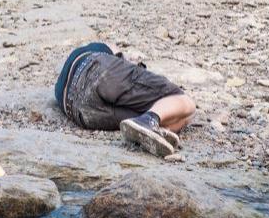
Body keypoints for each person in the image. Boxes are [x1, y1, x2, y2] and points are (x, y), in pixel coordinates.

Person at [54, 42, 196, 157]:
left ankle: (150, 126)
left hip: (78, 111)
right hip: (96, 71)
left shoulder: (61, 81)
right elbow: (117, 55)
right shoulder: (103, 48)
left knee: (171, 115)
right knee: (185, 102)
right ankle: (148, 121)